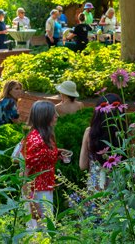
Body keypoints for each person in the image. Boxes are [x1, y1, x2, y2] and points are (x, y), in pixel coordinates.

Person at [23, 100, 68, 228]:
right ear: (45, 116)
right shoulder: (37, 140)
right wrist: (31, 201)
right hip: (37, 192)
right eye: (53, 113)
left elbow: (40, 158)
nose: (57, 116)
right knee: (40, 230)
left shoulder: (44, 136)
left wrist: (56, 153)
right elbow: (25, 171)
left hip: (45, 187)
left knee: (45, 228)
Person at [79, 93, 126, 192]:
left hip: (96, 190)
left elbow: (82, 165)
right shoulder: (126, 134)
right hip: (119, 191)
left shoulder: (89, 133)